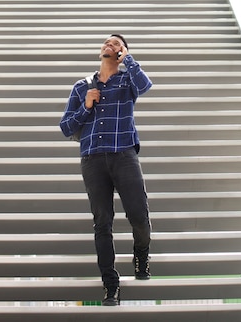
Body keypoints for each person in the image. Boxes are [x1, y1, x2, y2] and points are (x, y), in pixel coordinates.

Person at [60, 34, 152, 306]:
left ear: (122, 52)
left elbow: (145, 86)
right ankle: (110, 284)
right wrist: (86, 106)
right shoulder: (81, 87)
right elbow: (66, 127)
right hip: (92, 159)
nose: (108, 45)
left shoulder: (127, 80)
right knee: (102, 222)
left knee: (138, 214)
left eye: (115, 44)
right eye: (106, 42)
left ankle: (141, 252)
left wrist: (129, 60)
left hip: (123, 153)